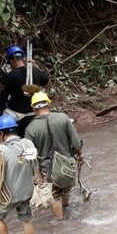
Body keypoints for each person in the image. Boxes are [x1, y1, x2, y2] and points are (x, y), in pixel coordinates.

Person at [24, 91, 84, 221]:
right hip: (67, 164)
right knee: (66, 189)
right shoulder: (63, 118)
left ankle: (61, 222)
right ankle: (67, 208)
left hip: (47, 169)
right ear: (49, 105)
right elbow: (76, 143)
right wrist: (80, 155)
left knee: (55, 196)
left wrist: (35, 175)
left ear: (34, 109)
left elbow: (29, 156)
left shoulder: (30, 128)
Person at [0, 44, 49, 137]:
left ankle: (4, 136)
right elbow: (45, 81)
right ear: (23, 58)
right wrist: (35, 66)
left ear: (11, 61)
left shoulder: (11, 76)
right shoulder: (35, 70)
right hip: (35, 108)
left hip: (19, 113)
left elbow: (3, 99)